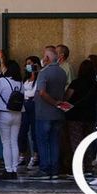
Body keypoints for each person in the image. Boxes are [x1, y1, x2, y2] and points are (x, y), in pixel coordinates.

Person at [30, 46, 68, 180]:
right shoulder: (62, 72)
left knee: (43, 141)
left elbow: (42, 92)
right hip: (58, 114)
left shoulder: (44, 73)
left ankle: (45, 169)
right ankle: (55, 169)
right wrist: (59, 103)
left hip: (44, 113)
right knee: (54, 141)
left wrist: (53, 102)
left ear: (46, 58)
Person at [64, 59, 97, 173]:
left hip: (75, 116)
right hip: (90, 116)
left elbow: (67, 97)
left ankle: (79, 166)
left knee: (76, 142)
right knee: (88, 141)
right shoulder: (95, 84)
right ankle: (88, 165)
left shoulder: (76, 82)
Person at [0, 59, 23, 179]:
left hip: (4, 113)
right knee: (14, 141)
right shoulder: (20, 83)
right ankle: (15, 170)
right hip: (18, 114)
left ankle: (8, 169)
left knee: (5, 142)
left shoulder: (2, 81)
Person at [18, 56, 41, 168]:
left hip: (34, 104)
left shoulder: (39, 78)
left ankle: (35, 156)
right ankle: (22, 155)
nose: (28, 65)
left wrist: (39, 70)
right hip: (25, 105)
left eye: (31, 63)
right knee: (22, 131)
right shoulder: (25, 80)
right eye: (27, 63)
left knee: (34, 132)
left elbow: (36, 92)